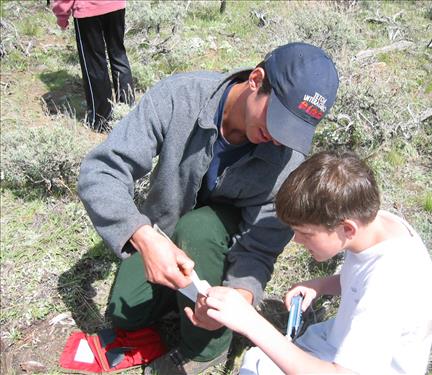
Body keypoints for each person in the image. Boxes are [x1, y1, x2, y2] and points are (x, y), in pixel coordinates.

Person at [77, 42, 339, 374]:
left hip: (219, 240)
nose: (278, 137)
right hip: (164, 232)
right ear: (256, 80)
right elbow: (101, 171)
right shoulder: (180, 96)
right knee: (125, 313)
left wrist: (239, 300)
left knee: (199, 228)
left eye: (292, 130)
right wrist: (144, 237)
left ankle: (205, 351)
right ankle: (182, 292)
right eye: (276, 119)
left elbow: (260, 247)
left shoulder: (288, 161)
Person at [199, 152, 432, 375]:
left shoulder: (391, 284)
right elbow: (362, 277)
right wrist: (321, 285)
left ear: (347, 228)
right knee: (260, 362)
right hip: (338, 342)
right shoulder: (377, 226)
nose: (296, 240)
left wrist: (251, 323)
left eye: (305, 233)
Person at [52, 0, 135, 131]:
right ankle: (129, 113)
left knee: (94, 63)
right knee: (118, 54)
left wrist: (62, 14)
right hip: (116, 5)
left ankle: (101, 120)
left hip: (88, 9)